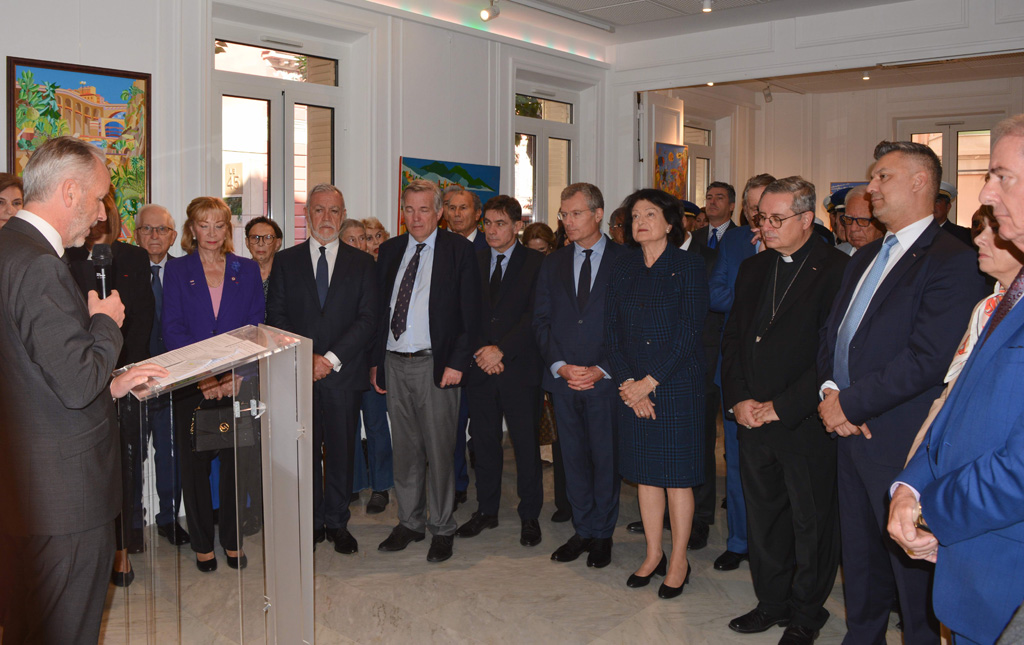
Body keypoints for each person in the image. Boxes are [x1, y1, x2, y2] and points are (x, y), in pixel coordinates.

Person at [817, 140, 986, 644]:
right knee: (860, 557)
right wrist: (831, 392)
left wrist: (848, 403)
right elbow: (834, 334)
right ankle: (862, 636)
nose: (870, 189)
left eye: (882, 177)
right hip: (847, 431)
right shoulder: (865, 254)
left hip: (900, 441)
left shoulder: (954, 259)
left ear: (919, 182)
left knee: (911, 571)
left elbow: (927, 359)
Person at [0, 136, 165, 642]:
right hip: (63, 498)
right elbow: (74, 385)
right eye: (98, 198)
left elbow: (34, 370)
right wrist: (105, 323)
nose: (100, 214)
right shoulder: (40, 267)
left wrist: (112, 385)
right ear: (69, 192)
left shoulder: (10, 249)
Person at [888, 114, 1024, 644]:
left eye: (1003, 176)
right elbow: (957, 406)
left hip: (1004, 568)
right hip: (972, 564)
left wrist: (930, 509)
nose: (986, 193)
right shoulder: (1003, 301)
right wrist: (909, 485)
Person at [721, 177, 848, 644]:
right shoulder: (754, 269)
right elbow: (732, 339)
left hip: (803, 420)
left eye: (776, 219)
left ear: (806, 219)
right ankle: (771, 602)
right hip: (752, 416)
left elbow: (832, 355)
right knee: (764, 516)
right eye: (761, 217)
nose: (765, 227)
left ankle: (806, 614)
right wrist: (739, 400)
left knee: (810, 522)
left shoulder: (836, 269)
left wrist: (783, 406)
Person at [373, 179, 481, 563]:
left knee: (439, 450)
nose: (415, 217)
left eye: (424, 209)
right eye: (409, 209)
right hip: (393, 361)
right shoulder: (389, 251)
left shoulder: (458, 252)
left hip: (437, 364)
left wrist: (457, 363)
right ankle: (410, 522)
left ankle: (443, 526)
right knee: (405, 450)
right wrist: (376, 362)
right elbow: (378, 313)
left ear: (439, 213)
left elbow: (472, 313)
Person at [267, 184, 379, 555]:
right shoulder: (286, 261)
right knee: (305, 451)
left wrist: (328, 359)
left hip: (342, 374)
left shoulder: (362, 263)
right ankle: (312, 522)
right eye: (319, 210)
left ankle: (337, 521)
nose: (326, 218)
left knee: (342, 451)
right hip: (298, 373)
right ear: (307, 215)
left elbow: (367, 319)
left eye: (334, 211)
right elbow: (277, 317)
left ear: (343, 214)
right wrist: (306, 358)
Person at [607, 188, 708, 598]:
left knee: (676, 479)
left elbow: (689, 332)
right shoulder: (623, 266)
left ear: (670, 223)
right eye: (634, 215)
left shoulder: (688, 266)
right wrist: (631, 386)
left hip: (677, 385)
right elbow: (611, 331)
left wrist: (651, 382)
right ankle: (652, 553)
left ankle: (679, 558)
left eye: (650, 214)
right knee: (646, 477)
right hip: (633, 387)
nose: (641, 221)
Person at [163, 196, 266, 573]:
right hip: (193, 385)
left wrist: (234, 375)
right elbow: (172, 330)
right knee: (195, 469)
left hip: (239, 382)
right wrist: (204, 376)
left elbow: (256, 327)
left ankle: (233, 540)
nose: (211, 233)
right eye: (203, 225)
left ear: (228, 230)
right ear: (192, 229)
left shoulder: (247, 269)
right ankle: (203, 543)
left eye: (218, 225)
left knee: (237, 466)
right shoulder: (177, 271)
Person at [534, 182, 627, 569]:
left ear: (598, 214)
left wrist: (602, 369)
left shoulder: (626, 261)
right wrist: (561, 366)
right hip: (564, 380)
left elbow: (629, 326)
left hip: (605, 381)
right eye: (563, 214)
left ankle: (603, 534)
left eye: (575, 213)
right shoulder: (553, 263)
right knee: (571, 459)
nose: (567, 221)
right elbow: (540, 321)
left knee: (605, 459)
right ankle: (583, 528)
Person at [66, 188, 156, 587]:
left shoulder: (133, 257)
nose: (100, 218)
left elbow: (141, 319)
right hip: (81, 378)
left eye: (107, 211)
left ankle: (123, 549)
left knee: (126, 468)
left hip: (126, 375)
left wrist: (123, 372)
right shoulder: (63, 259)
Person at [457, 195, 546, 547]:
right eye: (488, 223)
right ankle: (487, 511)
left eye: (500, 224)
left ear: (517, 225)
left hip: (520, 369)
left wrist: (501, 350)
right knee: (484, 444)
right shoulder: (472, 260)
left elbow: (535, 316)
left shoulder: (537, 263)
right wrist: (483, 353)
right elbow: (465, 313)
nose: (492, 231)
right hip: (480, 368)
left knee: (525, 445)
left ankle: (529, 515)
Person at [704, 173, 774, 572]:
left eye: (766, 210)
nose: (758, 217)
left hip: (783, 378)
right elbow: (715, 295)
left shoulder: (811, 244)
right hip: (735, 371)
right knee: (736, 463)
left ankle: (775, 544)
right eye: (752, 209)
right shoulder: (733, 242)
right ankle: (740, 540)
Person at [133, 204, 189, 547]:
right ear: (136, 234)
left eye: (161, 230)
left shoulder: (185, 272)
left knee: (171, 454)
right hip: (135, 381)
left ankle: (168, 518)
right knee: (132, 456)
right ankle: (133, 523)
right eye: (147, 230)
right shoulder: (125, 270)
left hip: (174, 379)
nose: (154, 236)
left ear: (173, 236)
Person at [521, 220, 573, 524]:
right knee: (549, 434)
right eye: (532, 251)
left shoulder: (557, 269)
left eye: (543, 250)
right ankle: (560, 501)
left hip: (559, 359)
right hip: (531, 361)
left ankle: (569, 501)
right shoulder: (523, 271)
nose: (538, 256)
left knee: (566, 437)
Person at [442, 184, 486, 508]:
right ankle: (456, 485)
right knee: (450, 429)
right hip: (449, 355)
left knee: (483, 432)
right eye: (451, 207)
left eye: (463, 208)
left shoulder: (491, 248)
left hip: (484, 357)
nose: (457, 214)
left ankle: (488, 491)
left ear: (477, 213)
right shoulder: (435, 248)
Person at [348, 217, 394, 514]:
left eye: (365, 238)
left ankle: (381, 486)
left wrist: (377, 362)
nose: (362, 244)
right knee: (347, 428)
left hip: (374, 362)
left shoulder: (382, 274)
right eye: (353, 239)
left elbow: (382, 324)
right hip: (346, 364)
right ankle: (353, 484)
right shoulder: (339, 274)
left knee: (377, 426)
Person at [244, 216, 283, 300]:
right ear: (247, 242)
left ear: (277, 243)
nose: (260, 243)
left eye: (267, 238)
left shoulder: (287, 275)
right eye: (255, 238)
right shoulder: (239, 276)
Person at [840, 186, 885, 254]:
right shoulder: (834, 253)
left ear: (881, 222)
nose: (853, 228)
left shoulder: (893, 257)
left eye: (863, 220)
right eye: (848, 219)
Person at [694, 182, 735, 248]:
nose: (712, 202)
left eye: (719, 198)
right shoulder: (694, 237)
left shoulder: (741, 237)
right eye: (709, 198)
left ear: (731, 206)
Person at [934, 180, 972, 246]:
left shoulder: (962, 235)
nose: (932, 205)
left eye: (937, 201)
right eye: (928, 201)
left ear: (948, 207)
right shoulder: (917, 233)